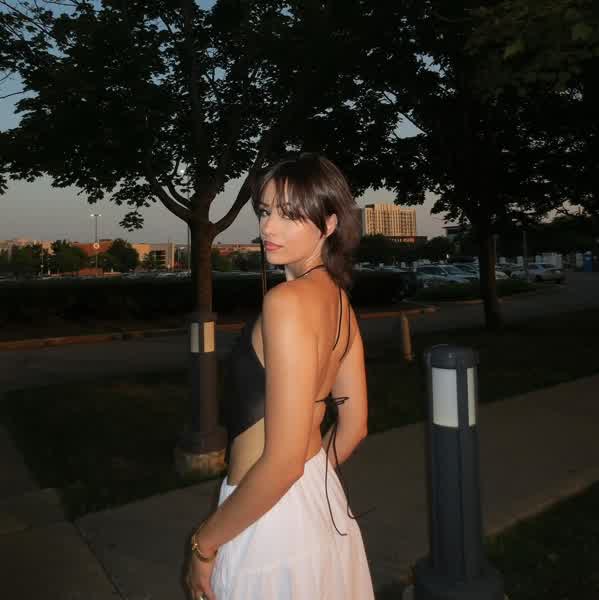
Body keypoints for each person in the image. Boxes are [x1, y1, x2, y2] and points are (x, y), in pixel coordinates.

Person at [186, 153, 375, 600]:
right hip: (316, 501)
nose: (269, 227)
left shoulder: (286, 303)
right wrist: (306, 482)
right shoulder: (340, 303)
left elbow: (284, 461)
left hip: (267, 524)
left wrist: (204, 545)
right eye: (266, 211)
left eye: (290, 215)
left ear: (330, 223)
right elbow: (353, 428)